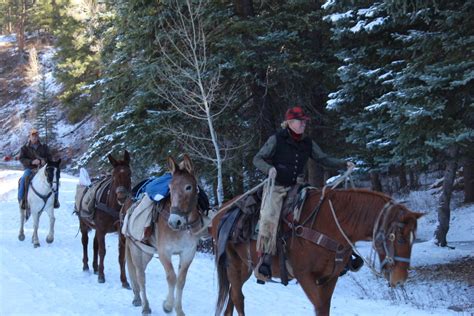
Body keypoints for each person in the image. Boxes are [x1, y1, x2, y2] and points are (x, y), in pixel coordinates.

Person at [252, 106, 358, 281]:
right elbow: (257, 158)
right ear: (290, 123)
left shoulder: (307, 142)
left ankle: (343, 254)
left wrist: (343, 164)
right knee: (269, 216)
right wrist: (269, 169)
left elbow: (323, 158)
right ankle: (265, 259)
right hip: (277, 187)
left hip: (298, 187)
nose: (303, 125)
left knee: (322, 207)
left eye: (304, 122)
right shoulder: (276, 139)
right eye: (300, 122)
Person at [18, 128, 60, 209]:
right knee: (24, 178)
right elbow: (21, 159)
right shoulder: (24, 148)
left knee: (55, 178)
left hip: (42, 169)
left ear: (38, 137)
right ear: (29, 137)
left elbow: (50, 157)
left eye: (36, 136)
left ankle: (55, 200)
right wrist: (32, 162)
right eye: (33, 136)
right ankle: (22, 200)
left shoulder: (44, 147)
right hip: (30, 169)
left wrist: (43, 161)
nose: (34, 137)